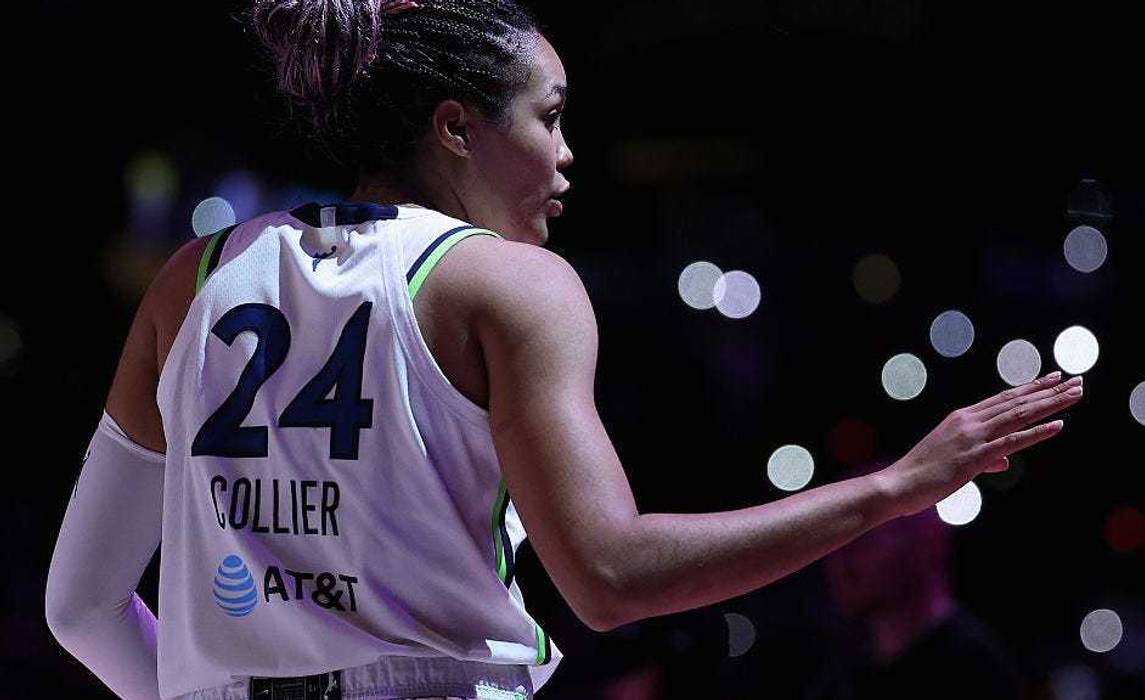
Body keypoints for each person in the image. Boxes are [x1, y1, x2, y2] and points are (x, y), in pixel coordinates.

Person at [43, 1, 1086, 698]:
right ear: (456, 128)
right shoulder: (507, 283)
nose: (568, 154)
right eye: (549, 118)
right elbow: (608, 576)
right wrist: (894, 488)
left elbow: (81, 608)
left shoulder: (192, 279)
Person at [820, 459, 1022, 699]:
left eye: (865, 540)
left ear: (924, 543)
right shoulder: (842, 668)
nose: (841, 560)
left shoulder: (974, 668)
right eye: (837, 544)